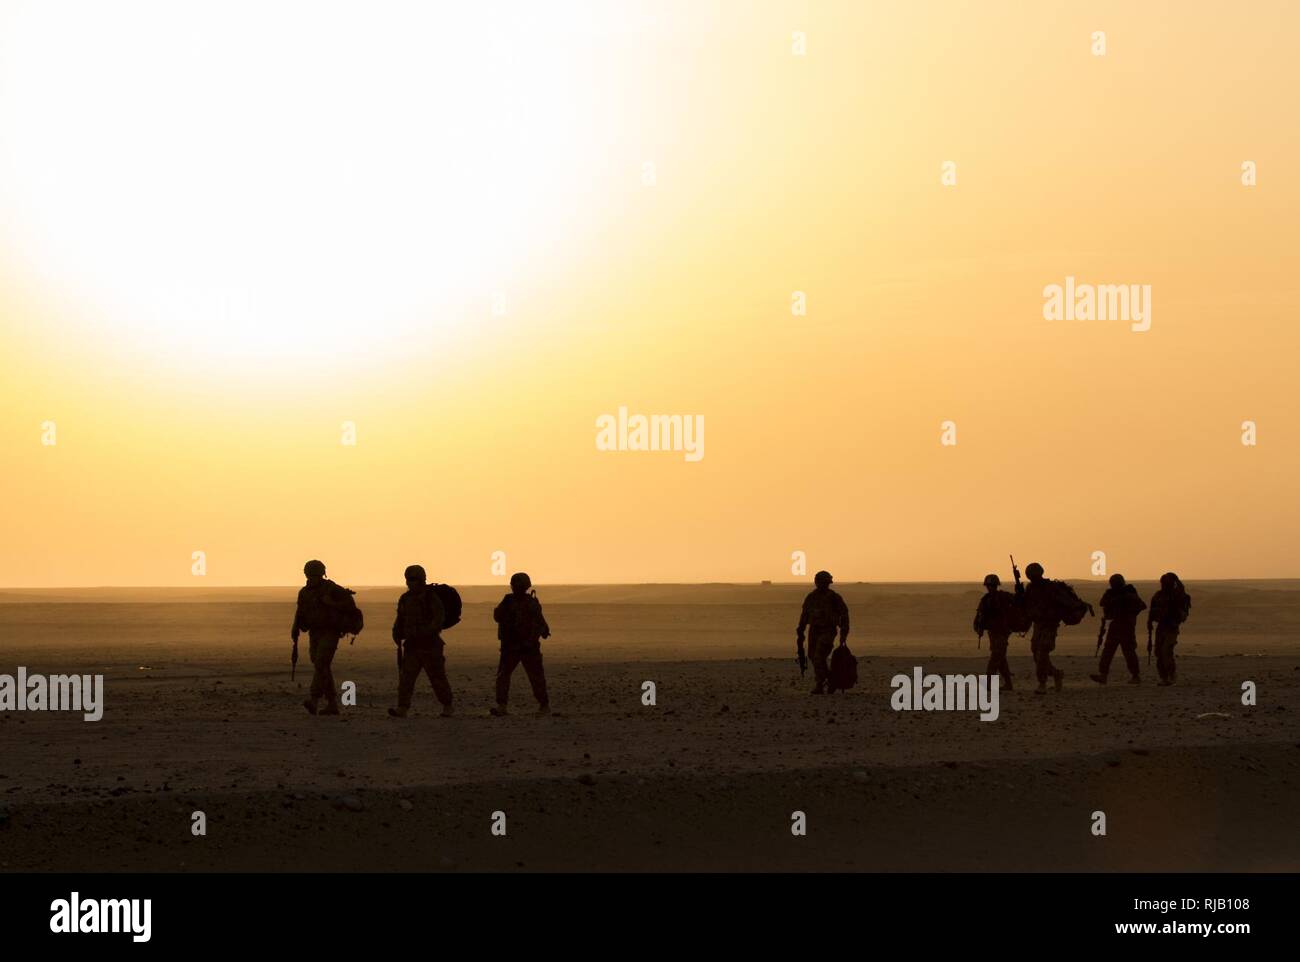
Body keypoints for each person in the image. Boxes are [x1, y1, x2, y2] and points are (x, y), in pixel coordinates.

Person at [388, 565, 454, 718]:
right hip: (412, 645)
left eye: (413, 579)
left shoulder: (431, 597)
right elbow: (400, 619)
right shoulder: (405, 598)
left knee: (437, 677)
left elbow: (439, 618)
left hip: (430, 645)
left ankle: (447, 705)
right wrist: (397, 633)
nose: (410, 583)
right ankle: (402, 707)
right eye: (408, 580)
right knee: (406, 679)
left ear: (422, 579)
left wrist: (425, 633)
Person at [290, 559, 349, 715]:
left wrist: (331, 604)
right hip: (314, 632)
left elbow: (349, 606)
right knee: (321, 666)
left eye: (314, 575)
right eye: (309, 575)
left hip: (330, 631)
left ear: (321, 574)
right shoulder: (304, 592)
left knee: (321, 663)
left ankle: (314, 700)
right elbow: (300, 611)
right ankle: (332, 704)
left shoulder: (332, 589)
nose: (311, 577)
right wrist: (295, 628)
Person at [491, 573, 551, 716]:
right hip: (513, 646)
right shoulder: (510, 601)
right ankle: (503, 705)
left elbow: (540, 623)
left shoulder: (529, 603)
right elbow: (498, 616)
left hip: (526, 647)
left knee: (535, 677)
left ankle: (543, 705)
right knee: (504, 676)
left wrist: (540, 632)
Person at [796, 570, 850, 695]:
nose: (823, 585)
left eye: (825, 582)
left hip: (828, 630)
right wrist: (801, 631)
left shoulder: (834, 598)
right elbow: (805, 615)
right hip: (814, 631)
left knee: (819, 656)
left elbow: (844, 616)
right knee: (813, 657)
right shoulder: (811, 597)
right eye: (821, 582)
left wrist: (843, 634)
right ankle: (830, 680)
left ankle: (820, 684)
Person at [1018, 561, 1066, 694]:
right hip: (1038, 625)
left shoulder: (1050, 587)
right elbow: (1025, 605)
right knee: (1037, 655)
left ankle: (1042, 683)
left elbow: (1059, 604)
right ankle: (1056, 674)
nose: (1032, 578)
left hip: (1049, 625)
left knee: (1042, 653)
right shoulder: (1031, 588)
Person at [1090, 574, 1146, 685]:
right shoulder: (1112, 594)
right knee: (1108, 651)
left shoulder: (1129, 593)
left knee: (1128, 652)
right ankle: (1103, 675)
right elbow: (1103, 602)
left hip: (1126, 626)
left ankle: (1135, 676)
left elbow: (1141, 605)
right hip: (1116, 625)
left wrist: (1128, 609)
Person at [973, 573, 1018, 691]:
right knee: (1000, 658)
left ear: (996, 586)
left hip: (1003, 632)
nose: (990, 587)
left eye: (992, 585)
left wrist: (1019, 587)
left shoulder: (1004, 596)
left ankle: (987, 683)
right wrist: (979, 628)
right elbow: (979, 616)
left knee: (995, 657)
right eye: (989, 585)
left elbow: (1019, 601)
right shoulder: (985, 600)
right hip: (993, 633)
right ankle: (1008, 684)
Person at [1148, 572, 1191, 686]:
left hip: (1171, 627)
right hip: (1161, 627)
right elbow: (1152, 611)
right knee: (1158, 652)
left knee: (1166, 651)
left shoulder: (1179, 596)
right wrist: (1151, 621)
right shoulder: (1158, 595)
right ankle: (1164, 677)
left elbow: (1183, 614)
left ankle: (1171, 675)